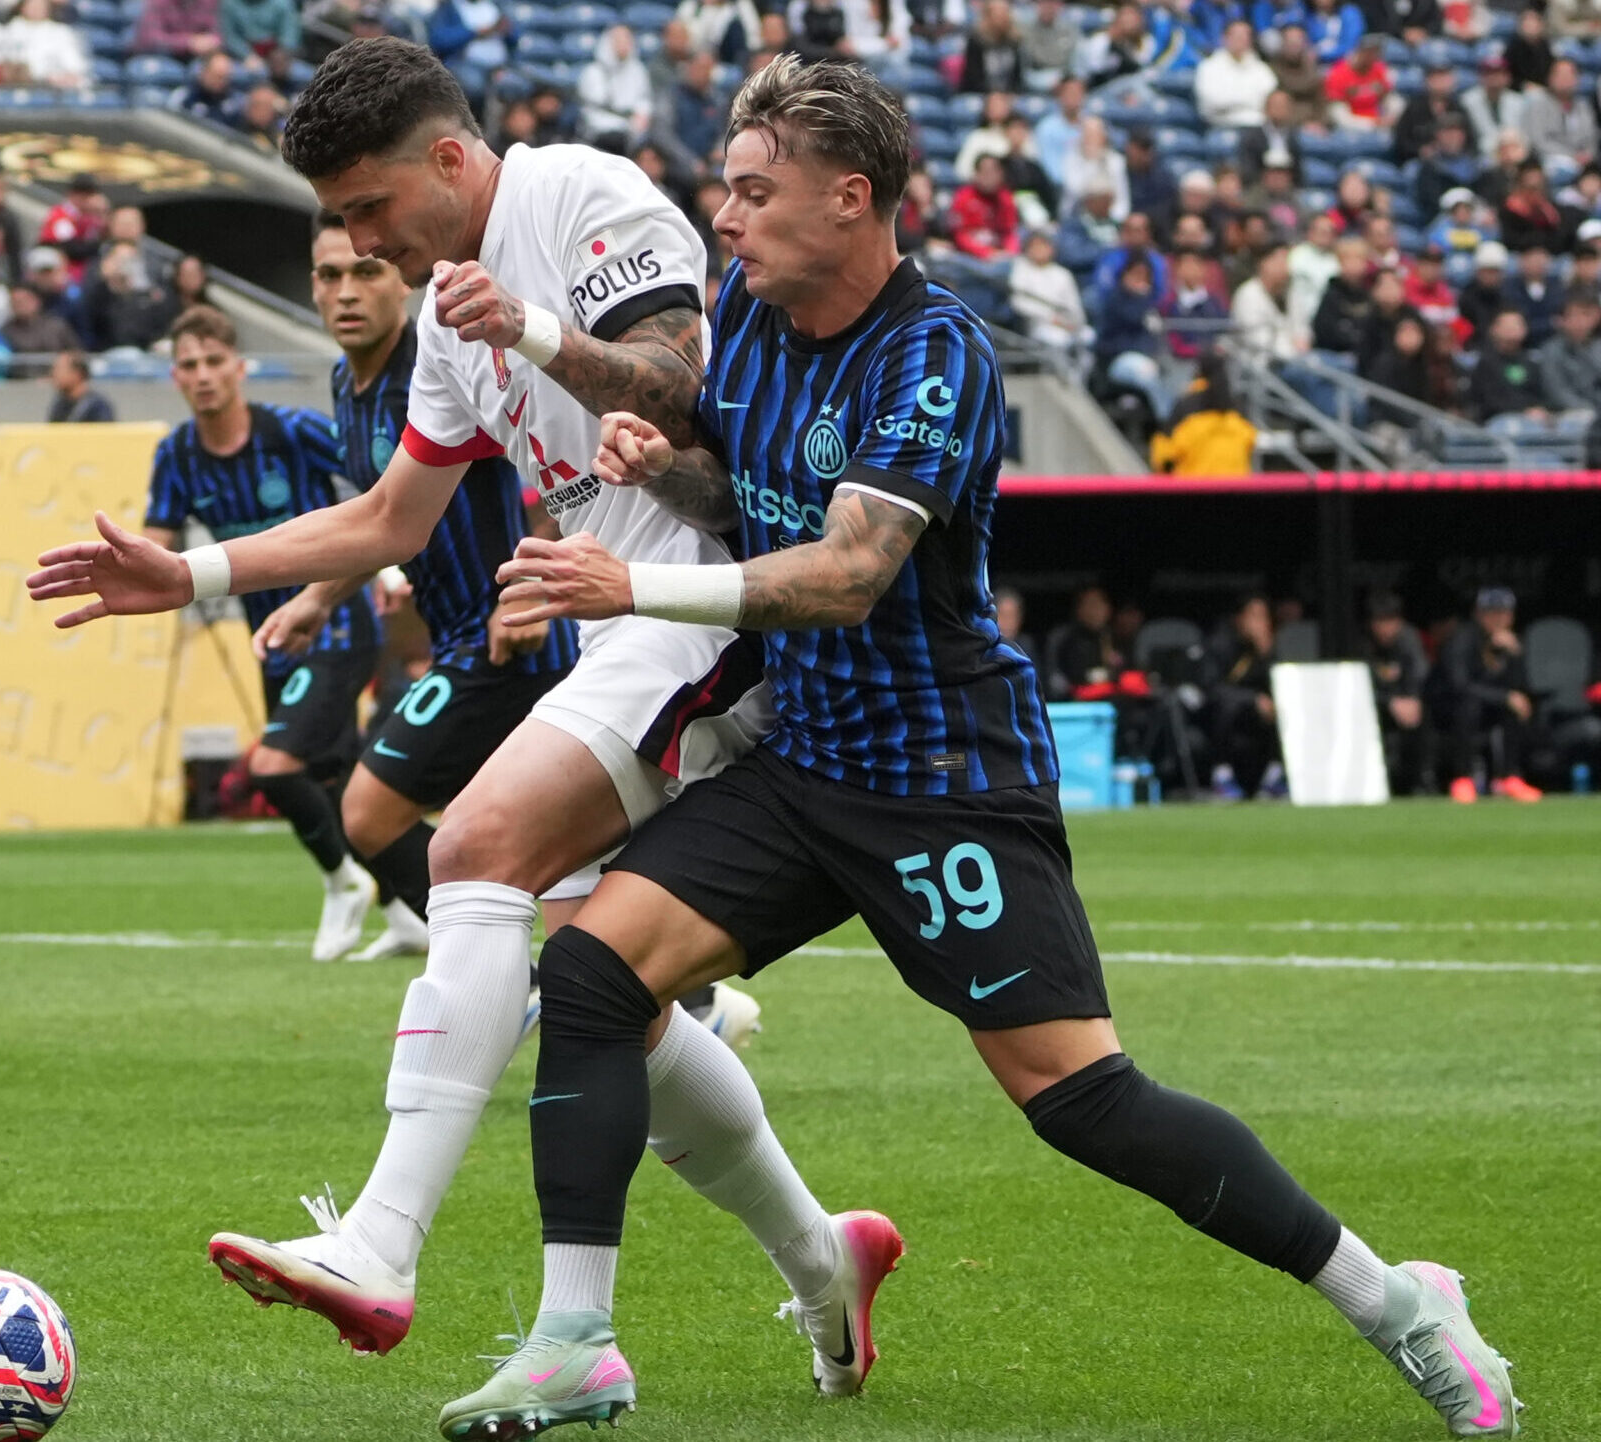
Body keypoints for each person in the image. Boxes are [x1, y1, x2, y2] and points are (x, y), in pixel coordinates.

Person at [465, 53, 1517, 1438]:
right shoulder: (752, 307)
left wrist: (632, 583)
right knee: (595, 970)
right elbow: (741, 480)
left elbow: (847, 570)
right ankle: (575, 1340)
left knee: (1086, 1101)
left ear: (853, 199)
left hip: (944, 779)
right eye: (726, 187)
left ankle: (1397, 1297)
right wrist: (661, 466)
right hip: (808, 758)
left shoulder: (938, 352)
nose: (722, 217)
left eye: (752, 191)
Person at [28, 38, 842, 1377]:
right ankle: (824, 1260)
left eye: (365, 209)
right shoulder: (442, 318)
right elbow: (390, 515)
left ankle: (382, 1241)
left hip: (704, 605)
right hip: (616, 635)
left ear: (452, 162)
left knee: (467, 846)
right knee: (611, 998)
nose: (355, 245)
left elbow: (682, 391)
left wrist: (519, 325)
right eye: (334, 222)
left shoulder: (586, 199)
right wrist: (189, 572)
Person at [250, 215, 585, 964]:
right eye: (327, 275)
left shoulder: (446, 361)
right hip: (462, 641)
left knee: (369, 814)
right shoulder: (347, 383)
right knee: (554, 850)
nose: (344, 292)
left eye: (363, 272)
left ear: (398, 278)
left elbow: (544, 462)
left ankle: (526, 982)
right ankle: (678, 1002)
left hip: (511, 641)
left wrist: (526, 586)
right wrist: (314, 600)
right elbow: (386, 519)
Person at [138, 305, 388, 957]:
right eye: (189, 366)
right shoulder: (177, 456)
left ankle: (343, 885)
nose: (203, 376)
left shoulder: (292, 432)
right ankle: (406, 914)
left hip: (333, 623)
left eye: (215, 362)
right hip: (269, 641)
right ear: (175, 377)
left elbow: (385, 488)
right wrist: (120, 567)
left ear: (239, 368)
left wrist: (387, 569)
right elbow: (156, 549)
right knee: (334, 783)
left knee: (275, 766)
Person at [1435, 585, 1543, 803]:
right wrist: (1504, 698)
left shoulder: (1510, 643)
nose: (1498, 619)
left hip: (1488, 709)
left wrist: (1515, 656)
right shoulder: (1463, 639)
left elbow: (1521, 688)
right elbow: (1459, 686)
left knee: (1516, 706)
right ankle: (1462, 779)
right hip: (1447, 711)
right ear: (1479, 614)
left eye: (1503, 613)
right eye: (1492, 612)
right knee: (1469, 706)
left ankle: (1510, 778)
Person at [1201, 592, 1283, 797]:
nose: (1259, 623)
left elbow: (1278, 683)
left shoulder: (1267, 649)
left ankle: (1274, 776)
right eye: (1253, 616)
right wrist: (1253, 700)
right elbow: (1212, 689)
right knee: (1227, 706)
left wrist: (1265, 652)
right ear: (1239, 619)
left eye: (1263, 617)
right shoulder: (1219, 644)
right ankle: (1222, 774)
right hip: (1220, 715)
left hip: (1256, 720)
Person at [1362, 591, 1433, 796]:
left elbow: (1420, 675)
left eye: (1390, 620)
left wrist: (1413, 698)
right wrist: (1390, 701)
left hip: (1408, 707)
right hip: (1376, 706)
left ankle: (1423, 781)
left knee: (1424, 714)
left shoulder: (1409, 640)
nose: (1385, 628)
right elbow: (1358, 686)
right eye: (1380, 621)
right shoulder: (1363, 644)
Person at [578, 24, 654, 151]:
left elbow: (644, 100)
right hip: (599, 136)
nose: (624, 44)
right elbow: (591, 111)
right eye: (618, 40)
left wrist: (641, 116)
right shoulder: (593, 72)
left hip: (632, 135)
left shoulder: (639, 71)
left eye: (627, 40)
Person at [46, 350, 114, 422]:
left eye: (59, 370)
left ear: (77, 374)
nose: (54, 374)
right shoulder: (59, 405)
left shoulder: (98, 406)